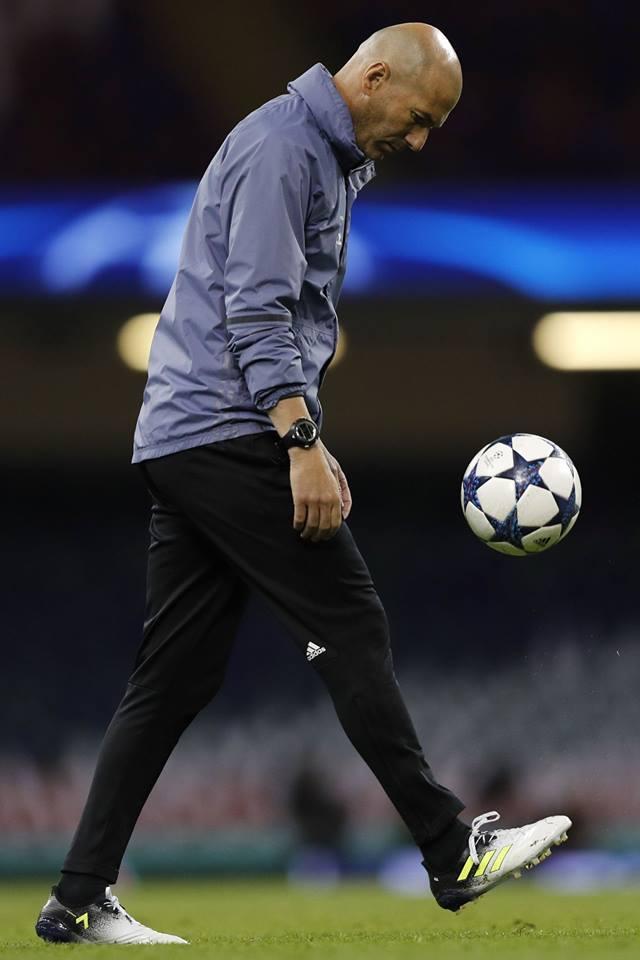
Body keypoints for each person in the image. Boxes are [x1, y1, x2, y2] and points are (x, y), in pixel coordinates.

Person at [35, 22, 570, 945]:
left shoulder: (311, 150)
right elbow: (257, 307)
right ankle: (451, 851)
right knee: (351, 623)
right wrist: (298, 437)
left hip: (191, 431)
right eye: (419, 117)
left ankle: (78, 898)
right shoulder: (285, 147)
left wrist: (301, 435)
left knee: (173, 679)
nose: (420, 141)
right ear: (374, 77)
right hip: (228, 428)